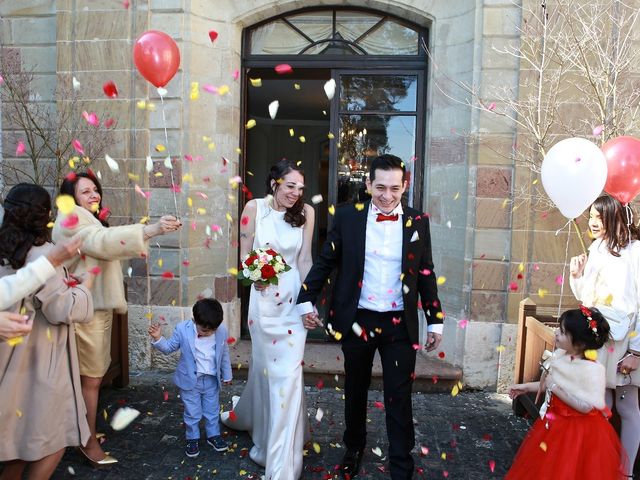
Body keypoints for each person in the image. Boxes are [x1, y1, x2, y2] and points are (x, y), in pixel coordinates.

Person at [297, 154, 443, 480]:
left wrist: (435, 319)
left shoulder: (418, 221)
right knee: (356, 389)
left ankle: (401, 464)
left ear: (405, 186)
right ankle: (354, 447)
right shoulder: (348, 217)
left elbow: (425, 271)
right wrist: (305, 300)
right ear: (368, 184)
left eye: (394, 188)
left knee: (398, 396)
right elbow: (325, 261)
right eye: (380, 187)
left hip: (398, 325)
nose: (387, 196)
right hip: (358, 319)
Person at [52, 171, 182, 465]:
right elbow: (102, 241)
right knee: (91, 379)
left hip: (92, 308)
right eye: (85, 191)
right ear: (71, 197)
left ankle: (81, 431)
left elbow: (101, 241)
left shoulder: (84, 217)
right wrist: (150, 230)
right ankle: (86, 441)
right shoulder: (71, 218)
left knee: (88, 377)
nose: (93, 195)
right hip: (86, 312)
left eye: (95, 190)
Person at [221, 159, 315, 480]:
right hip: (263, 305)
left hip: (292, 304)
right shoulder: (254, 208)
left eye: (300, 188)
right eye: (290, 186)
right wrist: (254, 274)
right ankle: (262, 430)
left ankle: (281, 466)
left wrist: (309, 300)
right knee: (267, 372)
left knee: (287, 376)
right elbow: (245, 253)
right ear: (274, 182)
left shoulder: (307, 213)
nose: (296, 193)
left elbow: (304, 258)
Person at [0, 183, 95, 480]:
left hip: (5, 357)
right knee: (51, 442)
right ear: (45, 216)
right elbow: (60, 310)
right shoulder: (44, 252)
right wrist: (84, 290)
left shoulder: (3, 247)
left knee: (16, 446)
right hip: (37, 359)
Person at [506, 307, 627, 479]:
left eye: (562, 332)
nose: (556, 333)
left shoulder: (592, 370)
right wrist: (526, 387)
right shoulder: (562, 356)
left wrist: (555, 387)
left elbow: (585, 406)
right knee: (547, 469)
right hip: (554, 425)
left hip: (577, 433)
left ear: (579, 343)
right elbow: (553, 382)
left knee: (569, 470)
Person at [569, 195, 640, 476]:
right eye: (591, 217)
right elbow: (588, 300)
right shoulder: (596, 248)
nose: (592, 222)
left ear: (614, 217)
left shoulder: (635, 251)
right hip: (599, 336)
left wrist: (636, 352)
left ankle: (625, 472)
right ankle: (599, 467)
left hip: (625, 337)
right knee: (602, 404)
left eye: (599, 217)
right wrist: (577, 275)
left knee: (627, 406)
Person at [149, 298, 233, 458]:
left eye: (212, 330)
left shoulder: (221, 331)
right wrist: (158, 338)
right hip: (190, 382)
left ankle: (213, 436)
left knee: (212, 411)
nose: (209, 333)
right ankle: (192, 438)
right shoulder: (182, 329)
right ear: (195, 320)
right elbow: (169, 348)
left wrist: (227, 374)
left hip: (211, 381)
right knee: (192, 413)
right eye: (205, 330)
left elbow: (224, 354)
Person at [0, 235, 83, 341]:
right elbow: (61, 311)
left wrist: (51, 260)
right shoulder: (43, 251)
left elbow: (5, 289)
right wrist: (85, 286)